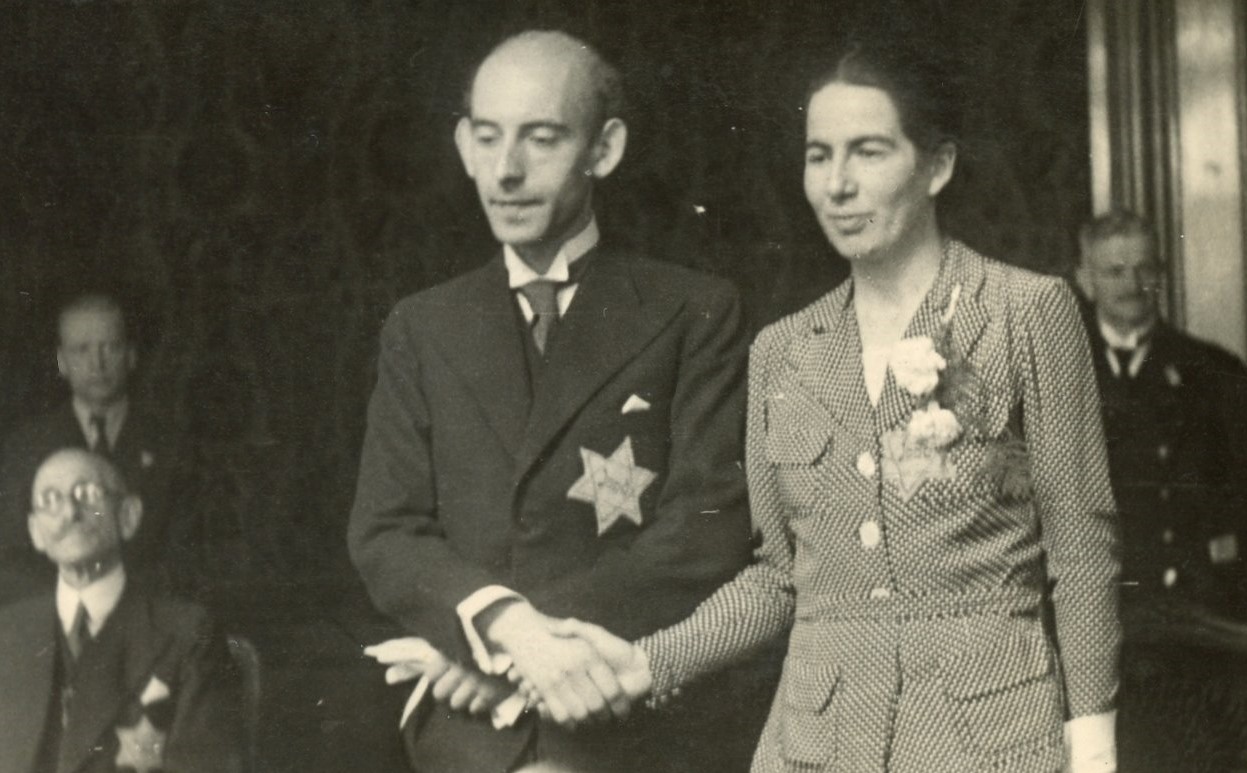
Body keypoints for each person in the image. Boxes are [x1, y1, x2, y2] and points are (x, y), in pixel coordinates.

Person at [555, 38, 1122, 772]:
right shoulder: (782, 351)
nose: (837, 184)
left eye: (868, 152)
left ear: (937, 166)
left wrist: (1093, 745)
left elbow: (1081, 549)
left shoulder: (1025, 312)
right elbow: (778, 578)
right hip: (814, 746)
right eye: (818, 156)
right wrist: (646, 662)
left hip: (986, 742)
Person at [348, 29, 756, 773]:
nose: (507, 170)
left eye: (541, 139)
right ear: (464, 146)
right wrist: (509, 631)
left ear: (604, 149)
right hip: (468, 727)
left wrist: (513, 656)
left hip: (620, 708)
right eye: (487, 137)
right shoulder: (422, 326)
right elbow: (386, 532)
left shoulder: (692, 310)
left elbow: (704, 530)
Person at [0, 448, 242, 773]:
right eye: (50, 499)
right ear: (35, 531)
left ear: (128, 515)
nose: (70, 512)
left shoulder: (189, 633)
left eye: (87, 494)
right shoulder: (7, 631)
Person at [1076, 212, 1247, 620]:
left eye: (1145, 269)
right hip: (1095, 609)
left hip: (1199, 606)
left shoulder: (1213, 371)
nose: (1132, 285)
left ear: (1162, 274)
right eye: (1115, 272)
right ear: (1085, 280)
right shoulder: (1059, 371)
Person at [1, 292, 178, 601]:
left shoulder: (171, 444)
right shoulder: (25, 447)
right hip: (55, 616)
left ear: (131, 356)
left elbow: (185, 554)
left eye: (110, 347)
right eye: (82, 350)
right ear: (62, 361)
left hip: (150, 614)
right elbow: (11, 555)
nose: (97, 364)